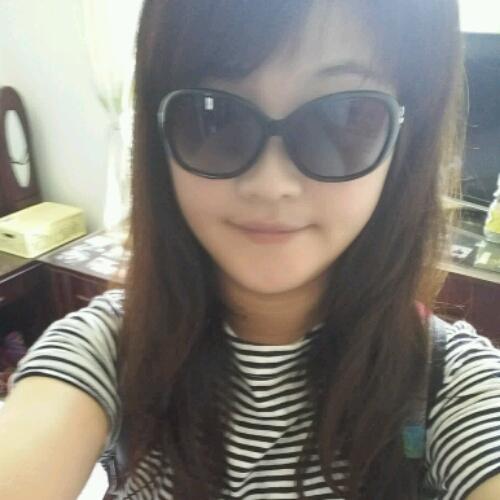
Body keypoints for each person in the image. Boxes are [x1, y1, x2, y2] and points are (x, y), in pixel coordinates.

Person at [1, 0, 500, 499]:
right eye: (214, 116)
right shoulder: (108, 350)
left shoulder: (448, 383)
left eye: (342, 117)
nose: (271, 184)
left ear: (404, 140)